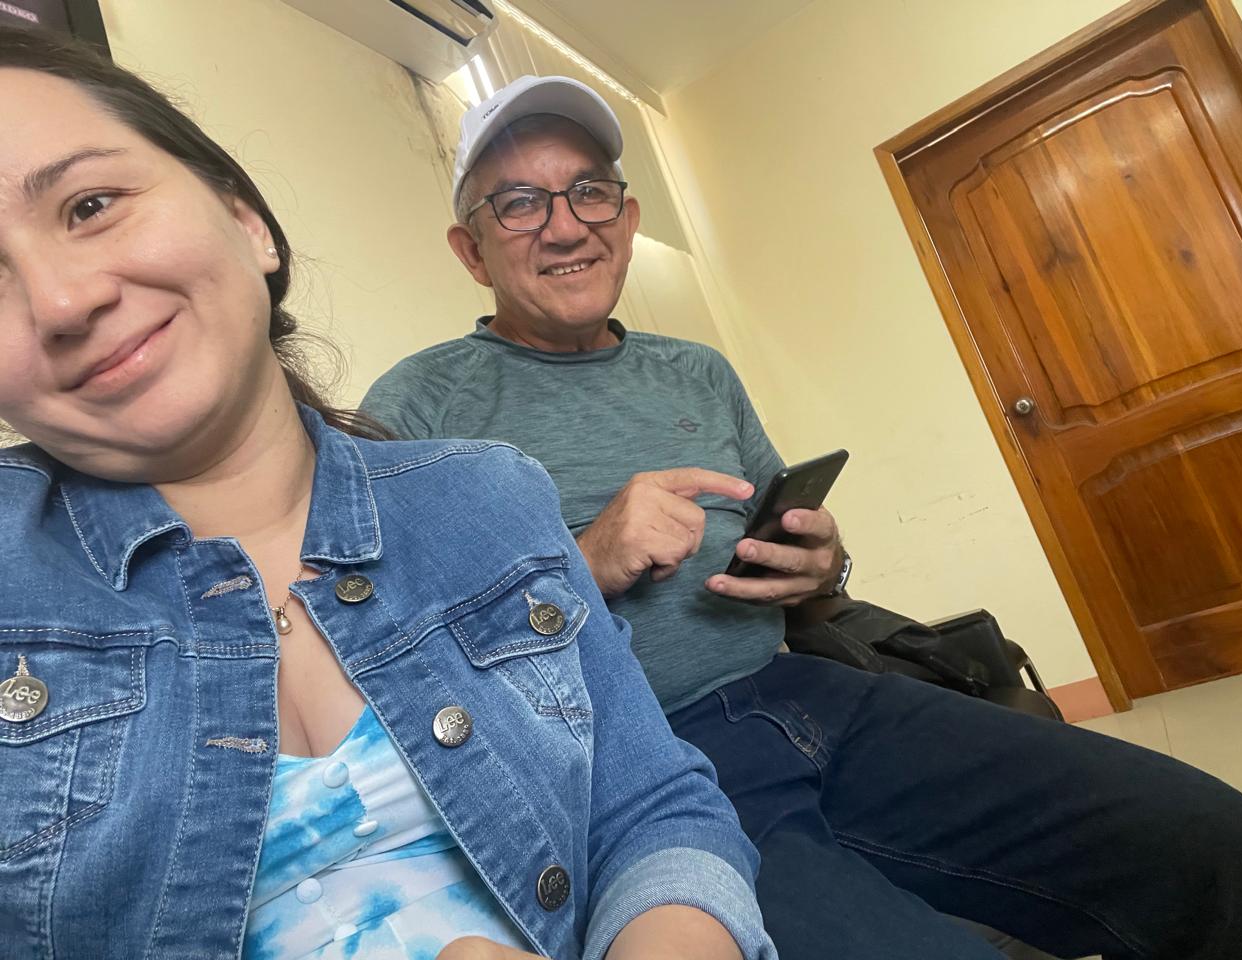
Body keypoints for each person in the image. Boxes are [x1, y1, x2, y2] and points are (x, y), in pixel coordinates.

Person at [362, 74, 1242, 960]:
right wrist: (584, 562)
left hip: (808, 692)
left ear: (628, 219)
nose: (567, 226)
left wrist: (818, 564)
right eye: (520, 204)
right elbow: (384, 656)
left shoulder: (698, 372)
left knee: (1220, 843)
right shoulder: (416, 408)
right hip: (648, 772)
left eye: (590, 192)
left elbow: (793, 553)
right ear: (471, 251)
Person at [0, 28, 778, 960]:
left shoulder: (496, 484)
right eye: (519, 204)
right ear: (471, 250)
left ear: (248, 222)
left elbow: (651, 806)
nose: (61, 301)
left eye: (90, 205)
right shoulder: (428, 393)